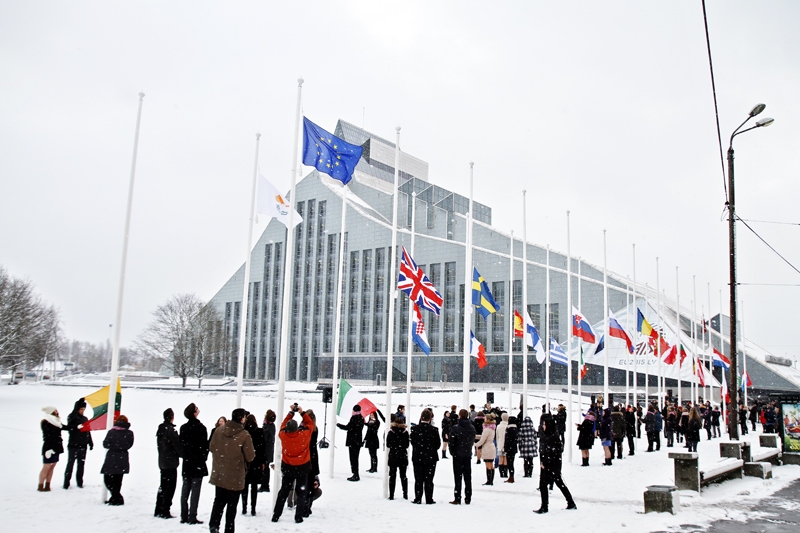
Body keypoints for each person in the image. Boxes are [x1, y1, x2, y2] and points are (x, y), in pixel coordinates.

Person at [209, 408, 255, 533]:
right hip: (235, 476)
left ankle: (214, 525)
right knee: (231, 506)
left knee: (218, 501)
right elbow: (250, 456)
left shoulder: (219, 430)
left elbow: (212, 447)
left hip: (220, 473)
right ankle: (228, 529)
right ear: (242, 419)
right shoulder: (244, 435)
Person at [271, 404, 315, 524]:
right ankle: (298, 516)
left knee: (284, 491)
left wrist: (291, 413)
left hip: (288, 467)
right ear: (297, 428)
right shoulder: (304, 435)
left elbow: (282, 425)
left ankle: (276, 515)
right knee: (301, 492)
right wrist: (302, 412)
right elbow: (310, 424)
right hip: (302, 466)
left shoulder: (283, 435)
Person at [534, 414, 576, 514]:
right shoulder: (550, 436)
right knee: (558, 483)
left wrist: (545, 463)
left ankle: (545, 506)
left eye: (544, 425)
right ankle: (570, 502)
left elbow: (552, 453)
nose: (543, 426)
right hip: (552, 465)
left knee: (544, 484)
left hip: (550, 465)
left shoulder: (552, 438)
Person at [179, 402, 208, 525]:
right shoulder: (201, 428)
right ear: (195, 413)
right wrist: (203, 458)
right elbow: (205, 446)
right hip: (197, 463)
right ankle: (192, 516)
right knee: (195, 491)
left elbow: (181, 445)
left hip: (187, 462)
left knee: (185, 489)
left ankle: (184, 515)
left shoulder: (183, 428)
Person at [155, 408, 183, 519]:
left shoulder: (161, 429)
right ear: (172, 417)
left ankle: (159, 508)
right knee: (170, 487)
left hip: (162, 461)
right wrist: (183, 454)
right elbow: (177, 446)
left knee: (163, 486)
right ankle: (165, 509)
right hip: (170, 462)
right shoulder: (171, 430)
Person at [101, 414, 134, 506]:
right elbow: (129, 445)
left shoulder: (112, 432)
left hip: (112, 456)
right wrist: (120, 446)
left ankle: (117, 498)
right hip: (123, 457)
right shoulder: (129, 433)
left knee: (108, 479)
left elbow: (105, 444)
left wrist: (114, 445)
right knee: (118, 480)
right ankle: (115, 498)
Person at [410, 409, 440, 504]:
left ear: (421, 417)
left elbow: (413, 442)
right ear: (430, 418)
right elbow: (438, 445)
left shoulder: (415, 429)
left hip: (418, 457)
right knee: (429, 479)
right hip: (430, 457)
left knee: (418, 479)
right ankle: (429, 498)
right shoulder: (434, 430)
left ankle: (418, 498)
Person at [448, 408, 476, 505]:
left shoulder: (456, 428)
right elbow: (472, 440)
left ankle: (457, 497)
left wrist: (453, 451)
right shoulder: (471, 427)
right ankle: (468, 497)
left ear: (459, 416)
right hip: (467, 454)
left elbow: (451, 442)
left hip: (458, 454)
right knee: (467, 477)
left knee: (458, 477)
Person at [63, 398, 93, 489]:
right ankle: (66, 483)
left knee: (81, 465)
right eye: (81, 409)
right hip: (73, 445)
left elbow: (88, 431)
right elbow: (69, 428)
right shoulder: (71, 417)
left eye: (84, 409)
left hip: (83, 445)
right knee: (70, 464)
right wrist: (76, 427)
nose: (82, 411)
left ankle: (80, 482)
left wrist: (90, 442)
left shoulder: (85, 418)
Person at [241, 414, 265, 516]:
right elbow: (263, 448)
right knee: (254, 487)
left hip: (246, 461)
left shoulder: (244, 432)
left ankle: (244, 507)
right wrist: (263, 461)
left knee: (245, 486)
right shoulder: (259, 432)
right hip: (256, 461)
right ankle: (253, 508)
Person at [39, 406, 66, 492]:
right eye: (55, 411)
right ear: (51, 412)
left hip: (57, 447)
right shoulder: (45, 422)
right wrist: (49, 449)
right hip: (49, 448)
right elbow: (47, 436)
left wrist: (77, 427)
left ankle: (48, 485)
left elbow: (65, 427)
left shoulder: (57, 422)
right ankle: (40, 485)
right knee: (46, 467)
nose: (57, 412)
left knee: (52, 467)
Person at [336, 404, 364, 481]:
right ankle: (355, 473)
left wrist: (339, 425)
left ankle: (355, 474)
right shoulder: (361, 418)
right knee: (355, 458)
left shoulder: (354, 418)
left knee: (353, 458)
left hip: (353, 441)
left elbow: (348, 427)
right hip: (358, 441)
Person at [300, 410, 320, 517]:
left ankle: (305, 507)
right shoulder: (315, 429)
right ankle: (308, 506)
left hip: (306, 456)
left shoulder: (307, 429)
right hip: (312, 456)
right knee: (310, 483)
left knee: (305, 483)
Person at [386, 414, 409, 500]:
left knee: (392, 475)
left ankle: (391, 495)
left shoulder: (391, 432)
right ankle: (405, 494)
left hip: (393, 455)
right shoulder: (405, 433)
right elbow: (407, 445)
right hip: (402, 455)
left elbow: (388, 444)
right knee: (403, 475)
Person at [476, 413, 497, 485]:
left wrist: (476, 444)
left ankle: (489, 480)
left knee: (488, 465)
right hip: (491, 447)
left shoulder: (486, 429)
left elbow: (483, 440)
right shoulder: (492, 428)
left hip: (487, 448)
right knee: (491, 464)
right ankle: (491, 480)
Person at [259, 410, 276, 492]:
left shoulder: (267, 427)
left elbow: (263, 439)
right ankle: (265, 484)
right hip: (269, 450)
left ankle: (264, 485)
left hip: (266, 450)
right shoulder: (272, 426)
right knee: (266, 467)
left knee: (265, 468)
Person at [504, 415, 519, 483]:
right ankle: (511, 475)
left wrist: (506, 448)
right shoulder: (516, 429)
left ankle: (511, 476)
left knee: (510, 463)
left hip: (509, 448)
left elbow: (507, 440)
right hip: (514, 448)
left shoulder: (509, 429)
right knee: (511, 462)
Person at [496, 412, 509, 478]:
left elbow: (497, 436)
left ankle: (501, 473)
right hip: (507, 444)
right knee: (506, 459)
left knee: (501, 459)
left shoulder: (499, 426)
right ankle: (505, 473)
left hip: (500, 443)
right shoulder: (508, 426)